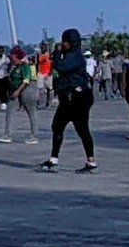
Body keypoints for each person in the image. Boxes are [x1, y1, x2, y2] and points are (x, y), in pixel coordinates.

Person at [40, 28, 97, 173]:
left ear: (71, 42)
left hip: (78, 97)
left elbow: (61, 67)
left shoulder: (75, 56)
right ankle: (54, 159)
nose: (62, 44)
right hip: (70, 97)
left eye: (65, 41)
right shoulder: (69, 54)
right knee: (58, 126)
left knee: (81, 129)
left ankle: (90, 162)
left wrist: (57, 52)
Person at [0, 47, 39, 144]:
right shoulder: (13, 67)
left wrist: (18, 91)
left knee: (31, 112)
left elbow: (26, 80)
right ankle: (7, 134)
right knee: (9, 111)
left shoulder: (25, 67)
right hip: (14, 90)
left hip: (26, 90)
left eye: (13, 57)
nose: (11, 59)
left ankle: (34, 136)